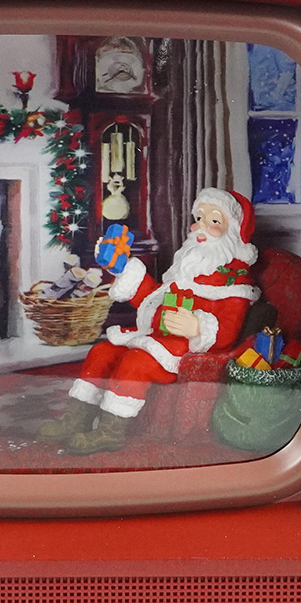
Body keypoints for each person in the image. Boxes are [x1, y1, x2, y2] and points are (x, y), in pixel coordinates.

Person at [41, 188, 260, 454]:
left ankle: (110, 433)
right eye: (199, 218)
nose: (200, 227)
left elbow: (227, 332)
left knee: (135, 363)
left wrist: (198, 327)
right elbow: (151, 298)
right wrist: (122, 267)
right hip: (154, 339)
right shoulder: (188, 267)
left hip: (182, 352)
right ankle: (76, 420)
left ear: (232, 232)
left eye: (214, 221)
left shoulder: (234, 284)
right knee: (102, 352)